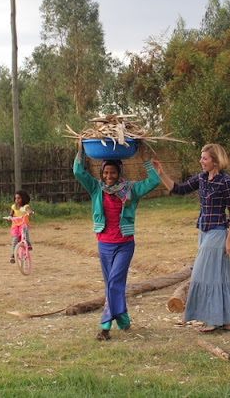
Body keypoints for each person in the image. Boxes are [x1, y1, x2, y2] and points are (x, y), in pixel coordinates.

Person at [73, 143, 161, 341]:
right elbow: (78, 171)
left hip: (124, 244)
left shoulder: (131, 189)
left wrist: (145, 160)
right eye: (106, 172)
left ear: (119, 172)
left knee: (114, 283)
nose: (109, 176)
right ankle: (123, 319)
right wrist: (80, 150)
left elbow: (154, 181)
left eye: (112, 172)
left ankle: (105, 327)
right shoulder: (96, 189)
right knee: (111, 285)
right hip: (104, 244)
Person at [155, 143, 230, 333]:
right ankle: (225, 319)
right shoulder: (201, 178)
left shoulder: (225, 181)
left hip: (218, 232)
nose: (201, 161)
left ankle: (212, 320)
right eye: (201, 157)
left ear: (215, 161)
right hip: (203, 231)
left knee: (203, 274)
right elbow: (179, 189)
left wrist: (229, 240)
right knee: (218, 275)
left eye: (205, 158)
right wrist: (161, 173)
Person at [5, 190, 33, 264]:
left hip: (23, 223)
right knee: (15, 238)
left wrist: (29, 212)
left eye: (19, 198)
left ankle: (28, 243)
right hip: (15, 224)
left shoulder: (25, 206)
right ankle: (13, 255)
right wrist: (9, 217)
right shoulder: (13, 207)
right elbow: (11, 214)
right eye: (16, 198)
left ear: (23, 198)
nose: (17, 200)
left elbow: (29, 210)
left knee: (24, 229)